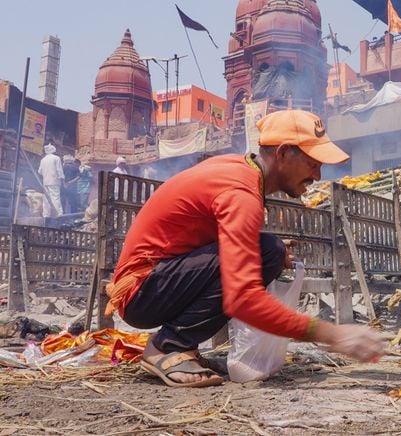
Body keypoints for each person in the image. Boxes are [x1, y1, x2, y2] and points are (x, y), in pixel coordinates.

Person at [106, 110, 385, 388]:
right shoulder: (241, 193)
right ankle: (168, 347)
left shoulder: (236, 168)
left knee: (269, 251)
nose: (317, 174)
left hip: (154, 282)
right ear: (284, 153)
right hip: (142, 291)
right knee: (266, 252)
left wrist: (265, 249)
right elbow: (242, 299)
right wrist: (333, 334)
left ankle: (183, 347)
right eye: (313, 163)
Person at [37, 143, 64, 217]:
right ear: (53, 150)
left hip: (45, 181)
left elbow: (39, 171)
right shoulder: (56, 158)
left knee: (46, 198)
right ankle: (58, 214)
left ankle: (46, 214)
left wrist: (46, 175)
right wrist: (62, 179)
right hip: (54, 181)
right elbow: (59, 170)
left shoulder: (43, 160)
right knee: (55, 197)